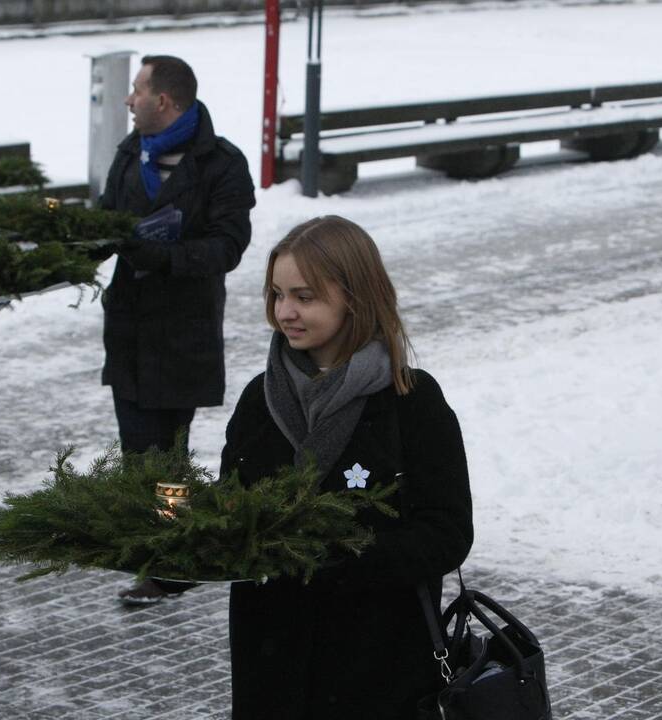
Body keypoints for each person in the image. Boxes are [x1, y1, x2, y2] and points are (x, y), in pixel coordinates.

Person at [221, 216, 474, 719]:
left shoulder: (411, 401)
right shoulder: (259, 398)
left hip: (377, 667)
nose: (284, 312)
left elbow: (447, 532)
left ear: (354, 297)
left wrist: (340, 561)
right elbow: (232, 507)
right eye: (276, 294)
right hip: (271, 661)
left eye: (305, 297)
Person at [96, 55, 256, 604]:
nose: (129, 99)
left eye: (137, 90)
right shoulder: (129, 152)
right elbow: (104, 218)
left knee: (167, 449)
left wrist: (164, 257)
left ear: (162, 101)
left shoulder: (220, 163)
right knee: (137, 445)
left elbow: (228, 247)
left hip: (182, 330)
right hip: (129, 325)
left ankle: (171, 558)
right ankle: (159, 547)